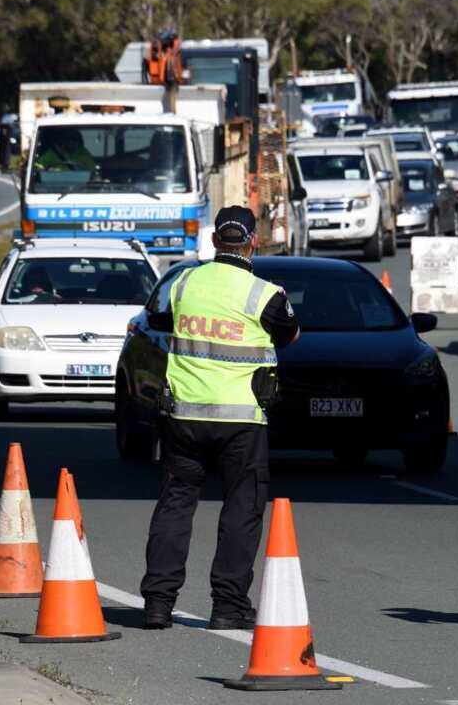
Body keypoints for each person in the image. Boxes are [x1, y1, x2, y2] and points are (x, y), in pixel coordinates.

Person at [141, 206, 300, 631]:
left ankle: (158, 604)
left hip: (184, 415)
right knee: (241, 510)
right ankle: (228, 607)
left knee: (175, 505)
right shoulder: (264, 294)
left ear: (214, 242)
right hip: (242, 421)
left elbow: (157, 318)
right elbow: (290, 335)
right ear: (253, 242)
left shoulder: (184, 282)